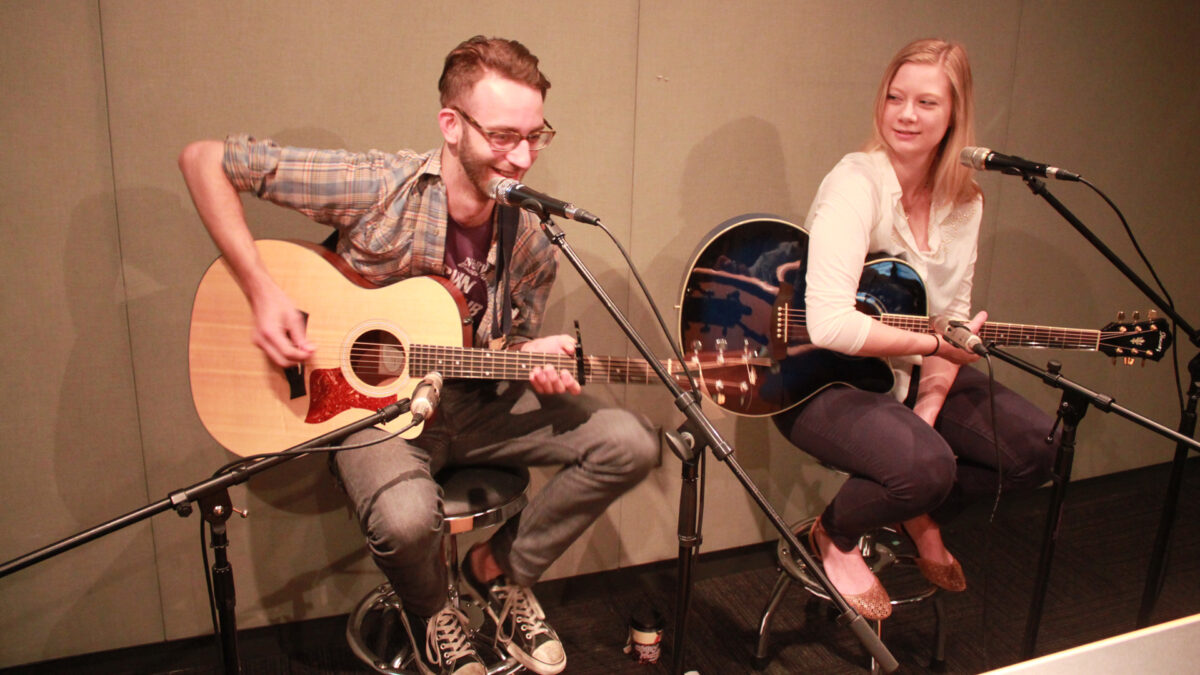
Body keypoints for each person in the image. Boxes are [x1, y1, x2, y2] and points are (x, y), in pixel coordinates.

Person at [178, 35, 658, 675]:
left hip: (476, 405)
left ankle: (496, 571)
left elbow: (502, 348)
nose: (522, 158)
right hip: (371, 411)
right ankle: (435, 613)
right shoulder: (377, 184)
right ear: (451, 125)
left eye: (535, 137)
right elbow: (204, 160)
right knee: (407, 521)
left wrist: (530, 355)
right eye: (503, 136)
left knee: (630, 441)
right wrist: (263, 294)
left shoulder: (536, 238)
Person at [773, 38, 1056, 620]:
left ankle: (912, 510)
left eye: (926, 102)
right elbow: (829, 324)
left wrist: (926, 411)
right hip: (820, 382)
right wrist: (931, 346)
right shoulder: (856, 183)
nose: (905, 114)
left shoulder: (966, 201)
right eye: (895, 98)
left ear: (954, 114)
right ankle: (835, 534)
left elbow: (952, 321)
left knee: (1036, 451)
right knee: (925, 466)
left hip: (907, 377)